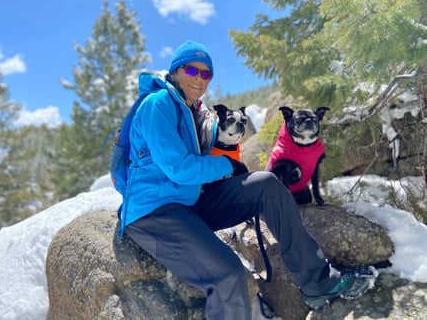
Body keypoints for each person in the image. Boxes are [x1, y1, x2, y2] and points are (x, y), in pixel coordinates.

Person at [119, 40, 374, 319]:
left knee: (265, 184)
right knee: (228, 274)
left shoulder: (195, 111)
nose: (200, 79)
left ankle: (318, 283)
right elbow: (177, 168)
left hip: (191, 202)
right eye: (193, 71)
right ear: (176, 71)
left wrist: (228, 169)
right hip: (155, 212)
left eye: (207, 74)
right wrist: (227, 165)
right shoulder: (158, 105)